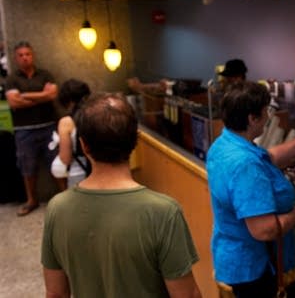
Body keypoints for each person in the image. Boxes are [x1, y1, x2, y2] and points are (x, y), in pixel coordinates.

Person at [41, 92, 203, 298]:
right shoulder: (163, 212)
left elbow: (55, 294)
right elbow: (186, 295)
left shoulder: (57, 207)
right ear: (135, 140)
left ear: (83, 145)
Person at [207, 81, 295, 298]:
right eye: (265, 112)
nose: (269, 117)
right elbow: (263, 229)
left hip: (233, 257)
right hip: (254, 272)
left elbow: (269, 158)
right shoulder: (245, 166)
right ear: (252, 119)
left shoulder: (225, 144)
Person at [5, 41, 58, 216]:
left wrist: (25, 95)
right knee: (27, 167)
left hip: (48, 126)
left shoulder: (45, 74)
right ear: (16, 57)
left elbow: (52, 95)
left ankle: (63, 198)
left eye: (27, 54)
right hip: (24, 130)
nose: (25, 58)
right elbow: (13, 102)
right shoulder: (12, 78)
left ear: (32, 55)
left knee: (56, 163)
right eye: (20, 55)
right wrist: (41, 96)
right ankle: (32, 200)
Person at [48, 79, 91, 190]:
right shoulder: (97, 115)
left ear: (68, 100)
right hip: (102, 173)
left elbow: (65, 159)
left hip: (79, 173)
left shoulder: (66, 122)